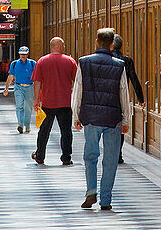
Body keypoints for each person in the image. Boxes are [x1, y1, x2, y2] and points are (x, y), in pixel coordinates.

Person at [72, 27, 130, 210]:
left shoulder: (84, 62)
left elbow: (78, 89)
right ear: (112, 44)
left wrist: (76, 114)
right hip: (112, 118)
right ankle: (106, 199)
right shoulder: (119, 65)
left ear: (96, 42)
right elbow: (123, 93)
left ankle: (90, 191)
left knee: (90, 156)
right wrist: (126, 119)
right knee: (111, 159)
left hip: (90, 117)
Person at [30, 37, 77, 166]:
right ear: (61, 46)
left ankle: (40, 156)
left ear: (51, 47)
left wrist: (36, 100)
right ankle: (66, 157)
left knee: (44, 130)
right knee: (66, 131)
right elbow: (77, 81)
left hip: (47, 102)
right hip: (65, 102)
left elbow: (37, 82)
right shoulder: (70, 61)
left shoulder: (42, 61)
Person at [112, 34, 144, 164]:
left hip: (107, 97)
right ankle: (118, 154)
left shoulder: (105, 59)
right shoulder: (126, 60)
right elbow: (134, 79)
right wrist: (140, 98)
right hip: (121, 97)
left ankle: (111, 152)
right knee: (120, 125)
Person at [4, 45, 36, 133]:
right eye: (22, 54)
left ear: (28, 54)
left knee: (28, 108)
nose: (23, 56)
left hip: (29, 87)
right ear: (19, 54)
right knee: (19, 106)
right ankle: (20, 124)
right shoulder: (14, 64)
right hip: (18, 87)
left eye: (25, 54)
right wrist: (6, 88)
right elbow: (10, 76)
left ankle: (27, 125)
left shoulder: (33, 63)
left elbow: (37, 77)